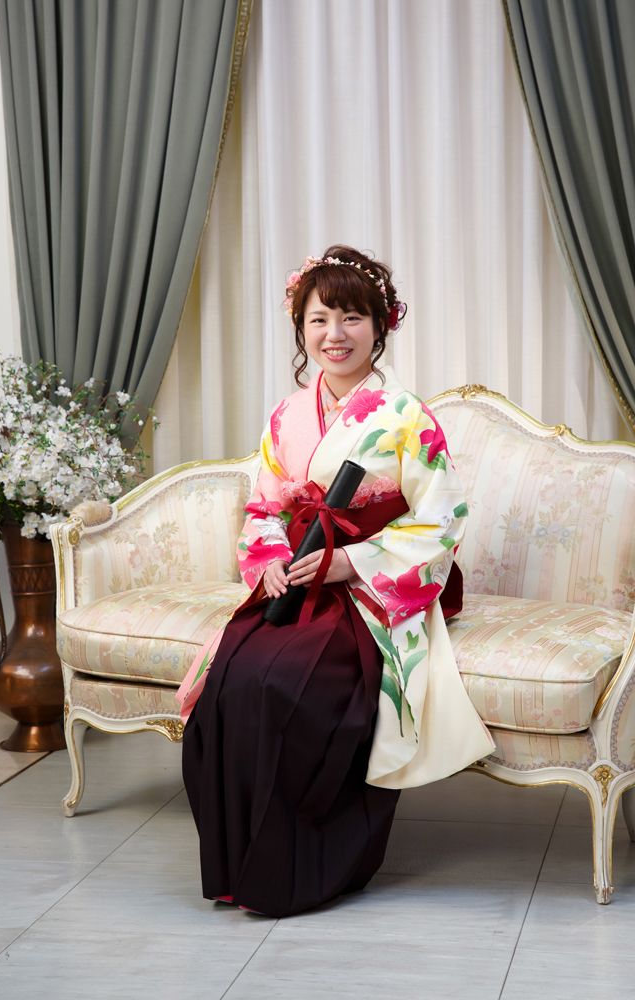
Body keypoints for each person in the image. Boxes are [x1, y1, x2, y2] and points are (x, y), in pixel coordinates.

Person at [177, 245, 493, 918]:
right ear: (300, 328)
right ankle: (235, 866)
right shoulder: (287, 415)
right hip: (298, 574)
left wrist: (353, 562)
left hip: (369, 581)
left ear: (380, 326)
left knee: (290, 686)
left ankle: (309, 868)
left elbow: (441, 519)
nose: (335, 334)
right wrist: (268, 559)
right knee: (228, 682)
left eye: (351, 317)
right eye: (319, 319)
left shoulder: (406, 415)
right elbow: (263, 507)